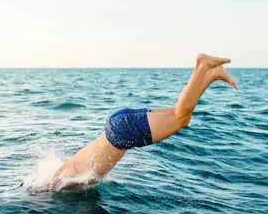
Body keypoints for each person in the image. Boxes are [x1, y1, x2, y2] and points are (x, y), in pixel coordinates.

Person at [49, 53, 238, 191]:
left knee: (180, 117)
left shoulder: (63, 180)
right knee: (180, 115)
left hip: (122, 134)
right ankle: (212, 75)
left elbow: (56, 187)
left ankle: (203, 66)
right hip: (118, 124)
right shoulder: (67, 168)